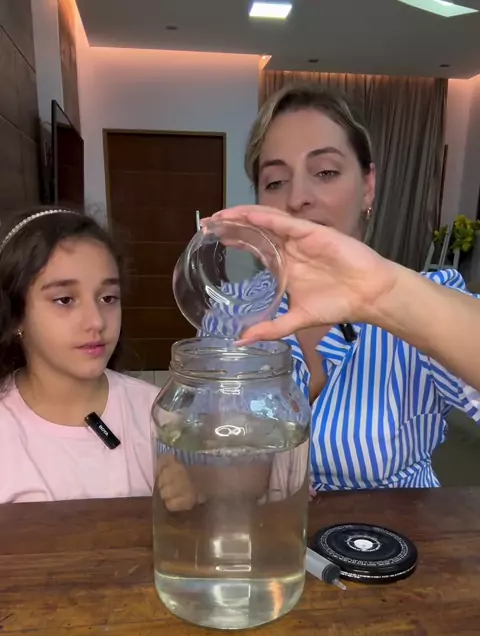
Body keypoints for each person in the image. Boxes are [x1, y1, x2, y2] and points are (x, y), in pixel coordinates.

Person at [203, 84, 480, 491]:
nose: (298, 198)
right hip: (267, 528)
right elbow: (209, 445)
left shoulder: (420, 300)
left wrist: (384, 297)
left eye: (326, 173)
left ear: (368, 186)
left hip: (400, 529)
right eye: (276, 181)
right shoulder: (232, 312)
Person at [0, 206, 160, 503]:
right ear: (16, 315)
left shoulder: (159, 415)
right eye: (64, 300)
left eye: (108, 298)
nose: (96, 321)